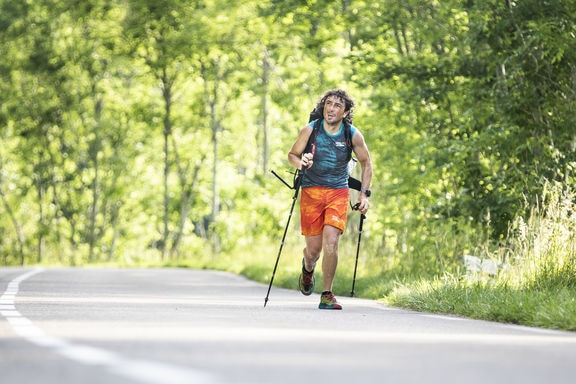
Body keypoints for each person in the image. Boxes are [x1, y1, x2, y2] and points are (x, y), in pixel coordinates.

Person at [287, 89, 373, 310]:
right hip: (311, 192)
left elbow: (366, 163)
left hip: (338, 192)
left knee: (332, 242)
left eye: (337, 105)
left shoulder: (352, 134)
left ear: (345, 112)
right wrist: (301, 162)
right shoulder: (311, 130)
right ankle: (308, 268)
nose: (331, 108)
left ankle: (327, 294)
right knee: (314, 251)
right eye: (328, 104)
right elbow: (292, 155)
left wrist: (363, 194)